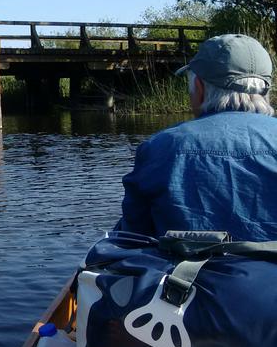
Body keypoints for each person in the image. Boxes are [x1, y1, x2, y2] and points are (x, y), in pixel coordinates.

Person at [119, 33, 277, 241]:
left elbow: (129, 238)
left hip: (191, 273)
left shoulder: (161, 146)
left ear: (200, 88)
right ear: (265, 91)